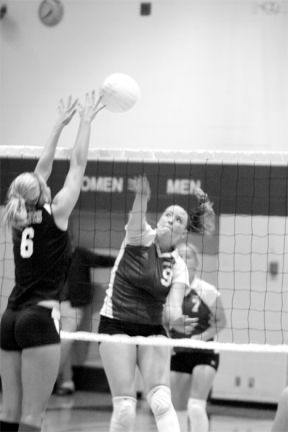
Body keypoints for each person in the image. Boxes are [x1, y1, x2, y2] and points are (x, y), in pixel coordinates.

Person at [0, 91, 101, 432]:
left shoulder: (18, 217)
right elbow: (78, 165)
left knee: (9, 412)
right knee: (33, 417)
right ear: (41, 192)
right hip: (40, 318)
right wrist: (85, 122)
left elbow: (41, 169)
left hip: (10, 317)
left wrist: (58, 124)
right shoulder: (57, 212)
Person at [98, 174, 215, 432]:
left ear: (183, 232)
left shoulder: (179, 267)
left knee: (162, 402)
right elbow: (136, 216)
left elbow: (172, 307)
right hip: (116, 324)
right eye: (168, 216)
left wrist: (177, 319)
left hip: (151, 328)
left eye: (179, 220)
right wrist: (143, 196)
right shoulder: (140, 237)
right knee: (126, 407)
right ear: (159, 219)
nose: (171, 221)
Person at [170, 242, 227, 432]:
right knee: (177, 410)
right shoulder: (168, 292)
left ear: (197, 262)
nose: (183, 259)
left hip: (205, 352)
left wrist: (201, 337)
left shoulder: (207, 290)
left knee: (195, 407)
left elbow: (221, 321)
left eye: (188, 256)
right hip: (178, 352)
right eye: (179, 256)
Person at [55, 246, 115, 396]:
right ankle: (66, 382)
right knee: (60, 343)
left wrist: (123, 260)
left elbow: (100, 261)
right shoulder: (51, 252)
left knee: (63, 343)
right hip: (52, 305)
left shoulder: (79, 254)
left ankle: (49, 378)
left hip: (71, 306)